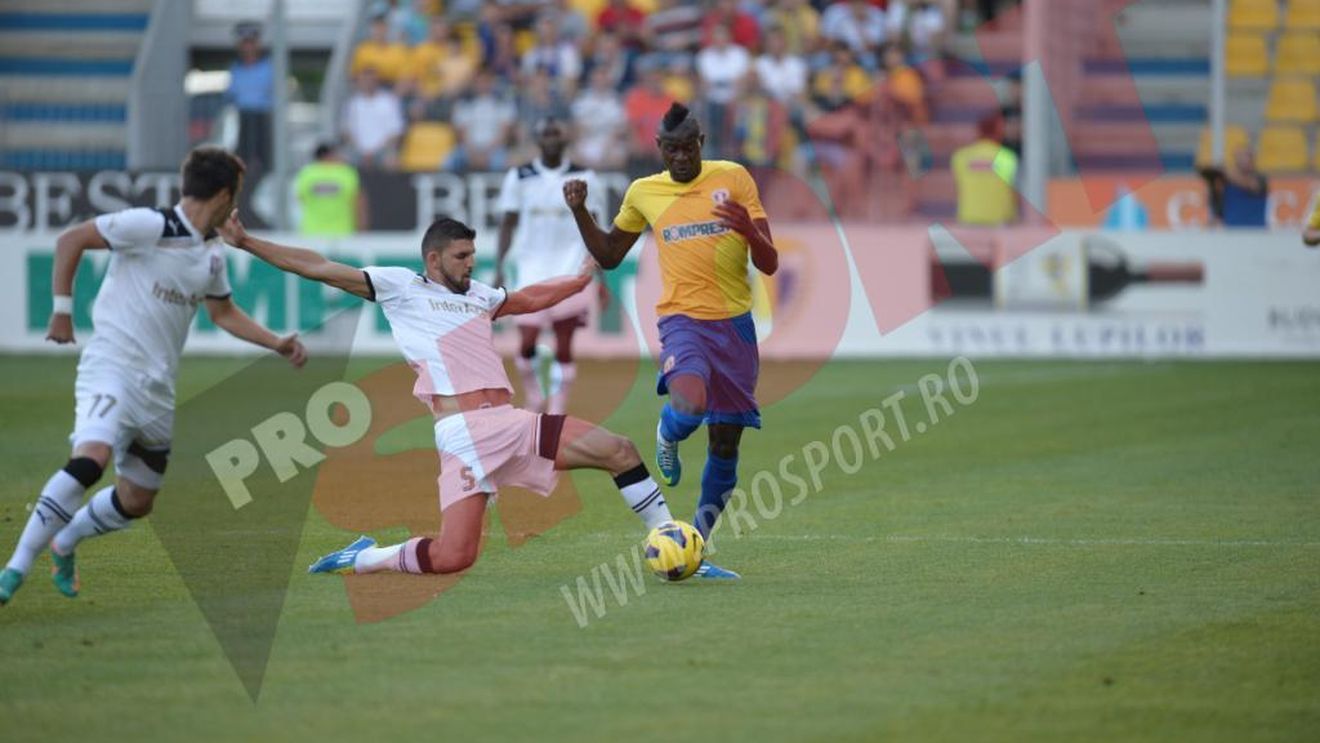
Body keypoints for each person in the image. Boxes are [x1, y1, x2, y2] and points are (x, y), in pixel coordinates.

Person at [215, 215, 677, 577]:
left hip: (503, 422)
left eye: (473, 254)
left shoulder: (478, 294)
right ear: (433, 259)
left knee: (619, 450)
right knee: (453, 556)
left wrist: (577, 282)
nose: (470, 263)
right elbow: (318, 267)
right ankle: (361, 559)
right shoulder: (401, 287)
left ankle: (671, 538)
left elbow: (530, 298)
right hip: (461, 433)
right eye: (461, 256)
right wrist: (248, 242)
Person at [0, 148, 307, 605]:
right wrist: (61, 311)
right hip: (112, 368)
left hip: (157, 389)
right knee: (91, 458)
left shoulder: (212, 255)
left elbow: (222, 312)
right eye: (235, 194)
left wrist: (276, 342)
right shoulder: (150, 225)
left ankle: (66, 541)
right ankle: (14, 571)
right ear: (224, 195)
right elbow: (71, 240)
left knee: (137, 501)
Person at [563, 102, 780, 579]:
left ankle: (696, 548)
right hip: (682, 321)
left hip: (736, 328)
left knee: (725, 445)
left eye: (688, 147)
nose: (680, 157)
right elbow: (610, 255)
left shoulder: (736, 178)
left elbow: (769, 264)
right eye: (671, 149)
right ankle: (667, 434)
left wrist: (746, 228)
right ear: (659, 149)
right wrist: (581, 212)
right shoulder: (644, 192)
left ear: (701, 144)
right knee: (689, 405)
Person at [495, 118, 607, 415]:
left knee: (564, 343)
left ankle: (557, 408)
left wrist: (602, 278)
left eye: (556, 132)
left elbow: (595, 227)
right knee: (527, 342)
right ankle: (535, 396)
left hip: (571, 269)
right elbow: (507, 224)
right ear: (537, 139)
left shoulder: (584, 176)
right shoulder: (519, 176)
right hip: (531, 270)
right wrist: (499, 267)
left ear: (565, 137)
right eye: (546, 133)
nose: (551, 137)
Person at [951, 114, 1019, 226]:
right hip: (1000, 219)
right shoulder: (1007, 157)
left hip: (968, 217)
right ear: (998, 132)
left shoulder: (960, 156)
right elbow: (1014, 193)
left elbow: (956, 189)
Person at [295, 142, 368, 237]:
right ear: (329, 155)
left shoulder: (306, 174)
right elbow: (359, 203)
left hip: (311, 232)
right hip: (342, 232)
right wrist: (362, 230)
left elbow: (301, 198)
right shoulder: (346, 173)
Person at [227, 22, 274, 172]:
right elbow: (231, 95)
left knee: (264, 159)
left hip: (263, 119)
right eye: (244, 43)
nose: (248, 47)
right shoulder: (235, 68)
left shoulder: (269, 67)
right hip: (242, 119)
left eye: (251, 43)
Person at [342, 68, 405, 169]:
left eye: (371, 81)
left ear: (377, 82)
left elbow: (396, 133)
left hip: (383, 151)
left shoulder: (389, 101)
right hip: (357, 150)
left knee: (393, 162)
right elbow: (347, 133)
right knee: (339, 161)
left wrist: (374, 152)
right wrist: (362, 151)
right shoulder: (352, 104)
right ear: (359, 82)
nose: (368, 83)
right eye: (364, 80)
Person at [1204, 145, 1269, 228]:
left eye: (1246, 156)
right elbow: (1217, 203)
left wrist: (1225, 171)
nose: (1244, 160)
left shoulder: (1260, 179)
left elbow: (1251, 185)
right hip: (1232, 231)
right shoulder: (1227, 182)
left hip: (1256, 230)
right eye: (1240, 157)